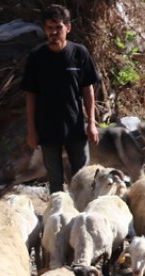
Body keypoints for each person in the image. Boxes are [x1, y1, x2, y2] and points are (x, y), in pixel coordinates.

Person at [22, 4, 101, 193]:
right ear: (44, 29)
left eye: (58, 27)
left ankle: (80, 217)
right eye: (50, 28)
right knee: (55, 182)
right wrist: (32, 130)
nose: (54, 32)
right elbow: (30, 95)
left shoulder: (79, 53)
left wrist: (91, 123)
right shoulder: (37, 57)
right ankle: (58, 218)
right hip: (47, 128)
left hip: (75, 125)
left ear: (68, 28)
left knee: (83, 178)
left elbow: (88, 90)